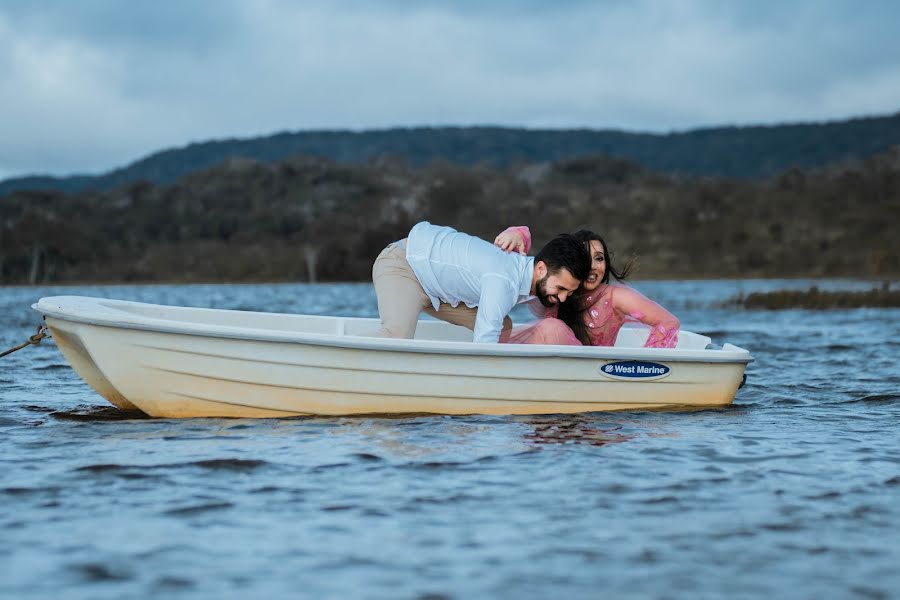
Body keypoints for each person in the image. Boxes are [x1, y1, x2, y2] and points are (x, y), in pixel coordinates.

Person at [372, 221, 591, 343]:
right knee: (397, 338)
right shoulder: (503, 281)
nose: (562, 298)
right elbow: (484, 341)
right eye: (560, 288)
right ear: (541, 268)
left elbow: (526, 239)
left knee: (504, 325)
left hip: (437, 289)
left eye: (568, 292)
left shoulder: (530, 271)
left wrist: (520, 232)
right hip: (404, 265)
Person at [494, 226, 680, 348]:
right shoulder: (556, 294)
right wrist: (518, 234)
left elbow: (668, 322)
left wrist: (644, 368)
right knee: (502, 325)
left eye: (599, 258)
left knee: (550, 327)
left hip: (593, 375)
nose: (593, 266)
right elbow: (528, 273)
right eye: (585, 259)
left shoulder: (615, 296)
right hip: (552, 370)